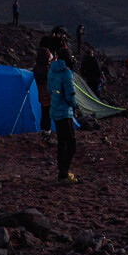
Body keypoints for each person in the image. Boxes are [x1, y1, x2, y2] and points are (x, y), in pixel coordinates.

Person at [47, 51, 78, 184]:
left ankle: (62, 171)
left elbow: (49, 90)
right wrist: (75, 104)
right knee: (71, 143)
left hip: (55, 111)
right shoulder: (66, 73)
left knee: (62, 142)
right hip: (65, 113)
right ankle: (64, 174)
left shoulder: (52, 71)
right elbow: (70, 95)